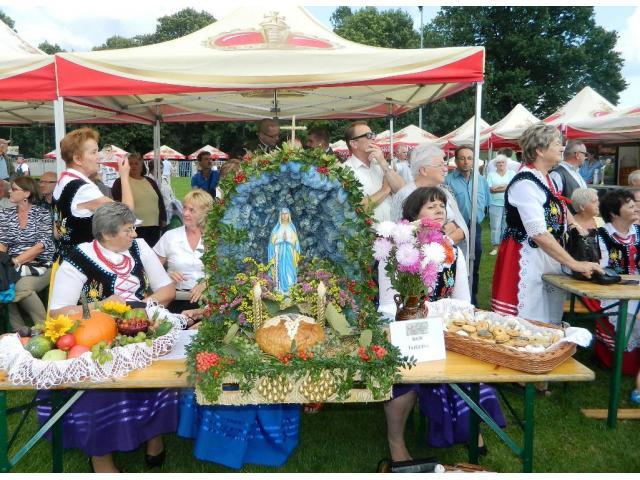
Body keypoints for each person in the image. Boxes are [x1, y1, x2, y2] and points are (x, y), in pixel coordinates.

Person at [41, 202, 176, 473]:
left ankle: (153, 435)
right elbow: (57, 311)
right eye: (128, 230)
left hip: (140, 328)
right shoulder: (78, 257)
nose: (134, 234)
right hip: (96, 337)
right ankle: (100, 456)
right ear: (106, 234)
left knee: (160, 375)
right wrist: (101, 307)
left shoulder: (139, 247)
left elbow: (167, 289)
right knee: (101, 388)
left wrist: (140, 308)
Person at [382, 187, 505, 462]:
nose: (439, 209)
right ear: (414, 215)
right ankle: (395, 441)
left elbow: (462, 301)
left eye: (441, 205)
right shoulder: (395, 250)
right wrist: (414, 321)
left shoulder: (453, 251)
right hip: (405, 328)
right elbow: (388, 304)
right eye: (431, 206)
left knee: (470, 371)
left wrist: (445, 324)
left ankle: (469, 426)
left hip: (445, 329)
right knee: (404, 384)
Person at [491, 123, 602, 325]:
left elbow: (558, 203)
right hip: (525, 256)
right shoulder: (525, 183)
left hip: (546, 255)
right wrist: (574, 263)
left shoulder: (545, 178)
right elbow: (538, 233)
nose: (562, 147)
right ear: (539, 150)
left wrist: (574, 225)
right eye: (557, 143)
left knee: (548, 318)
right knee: (527, 322)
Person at [53, 127, 133, 260]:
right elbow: (127, 213)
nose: (99, 156)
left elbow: (57, 232)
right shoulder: (83, 189)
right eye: (94, 152)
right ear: (78, 159)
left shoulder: (62, 181)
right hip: (83, 261)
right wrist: (124, 176)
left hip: (64, 258)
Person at [390, 143, 468, 257]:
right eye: (440, 165)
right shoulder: (406, 195)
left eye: (444, 164)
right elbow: (402, 236)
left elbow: (461, 228)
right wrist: (446, 232)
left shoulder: (445, 192)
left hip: (450, 257)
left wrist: (443, 233)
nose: (445, 169)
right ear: (423, 170)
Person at [592, 190, 640, 374]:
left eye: (634, 205)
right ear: (613, 213)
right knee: (629, 314)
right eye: (629, 205)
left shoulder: (638, 232)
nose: (635, 208)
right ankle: (625, 363)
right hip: (613, 291)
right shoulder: (601, 235)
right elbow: (602, 270)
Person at [0, 177, 54, 331]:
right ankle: (19, 330)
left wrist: (15, 261)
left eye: (14, 189)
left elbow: (41, 246)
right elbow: (3, 242)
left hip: (41, 264)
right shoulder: (6, 214)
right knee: (3, 282)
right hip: (13, 263)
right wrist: (2, 262)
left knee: (20, 286)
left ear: (27, 193)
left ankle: (45, 328)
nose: (9, 191)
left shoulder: (42, 213)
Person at [154, 189, 213, 314]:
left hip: (209, 301)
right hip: (175, 299)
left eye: (191, 210)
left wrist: (206, 284)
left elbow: (224, 273)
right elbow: (150, 271)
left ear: (204, 213)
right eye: (184, 208)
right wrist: (166, 276)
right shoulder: (170, 236)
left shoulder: (214, 238)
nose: (185, 213)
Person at [444, 146, 490, 305]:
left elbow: (485, 203)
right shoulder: (448, 181)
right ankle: (454, 298)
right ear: (456, 160)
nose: (466, 162)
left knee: (474, 263)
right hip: (456, 228)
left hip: (475, 227)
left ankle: (473, 298)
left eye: (469, 158)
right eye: (462, 158)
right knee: (456, 262)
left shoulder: (481, 181)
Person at [343, 121, 405, 222]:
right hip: (369, 231)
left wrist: (383, 162)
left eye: (373, 135)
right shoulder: (345, 171)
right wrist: (384, 190)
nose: (373, 138)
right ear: (354, 144)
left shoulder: (380, 163)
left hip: (393, 227)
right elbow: (356, 210)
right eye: (368, 135)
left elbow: (402, 190)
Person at [113, 152, 166, 247]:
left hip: (154, 226)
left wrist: (163, 218)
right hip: (134, 227)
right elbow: (117, 203)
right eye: (131, 163)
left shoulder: (150, 181)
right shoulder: (120, 182)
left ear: (142, 165)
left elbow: (160, 201)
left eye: (136, 163)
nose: (133, 166)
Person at [487, 154, 516, 255]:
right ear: (495, 164)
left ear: (506, 163)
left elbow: (512, 187)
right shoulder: (491, 174)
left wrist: (498, 187)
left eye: (503, 162)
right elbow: (490, 189)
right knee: (495, 226)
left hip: (508, 203)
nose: (501, 164)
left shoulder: (512, 173)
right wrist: (505, 186)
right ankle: (495, 247)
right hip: (495, 203)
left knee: (506, 225)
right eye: (498, 163)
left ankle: (504, 247)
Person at [268, 207, 301, 294]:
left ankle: (290, 288)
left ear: (289, 215)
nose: (284, 215)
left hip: (289, 253)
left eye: (286, 214)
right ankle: (280, 289)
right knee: (280, 269)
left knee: (290, 269)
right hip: (279, 253)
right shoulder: (277, 228)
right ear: (280, 215)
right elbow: (272, 243)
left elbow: (296, 242)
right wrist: (281, 240)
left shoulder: (291, 227)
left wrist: (288, 240)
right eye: (282, 214)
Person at [549, 140, 588, 214]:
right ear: (577, 155)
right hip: (568, 220)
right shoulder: (556, 174)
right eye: (585, 154)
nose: (585, 157)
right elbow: (552, 204)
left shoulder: (576, 172)